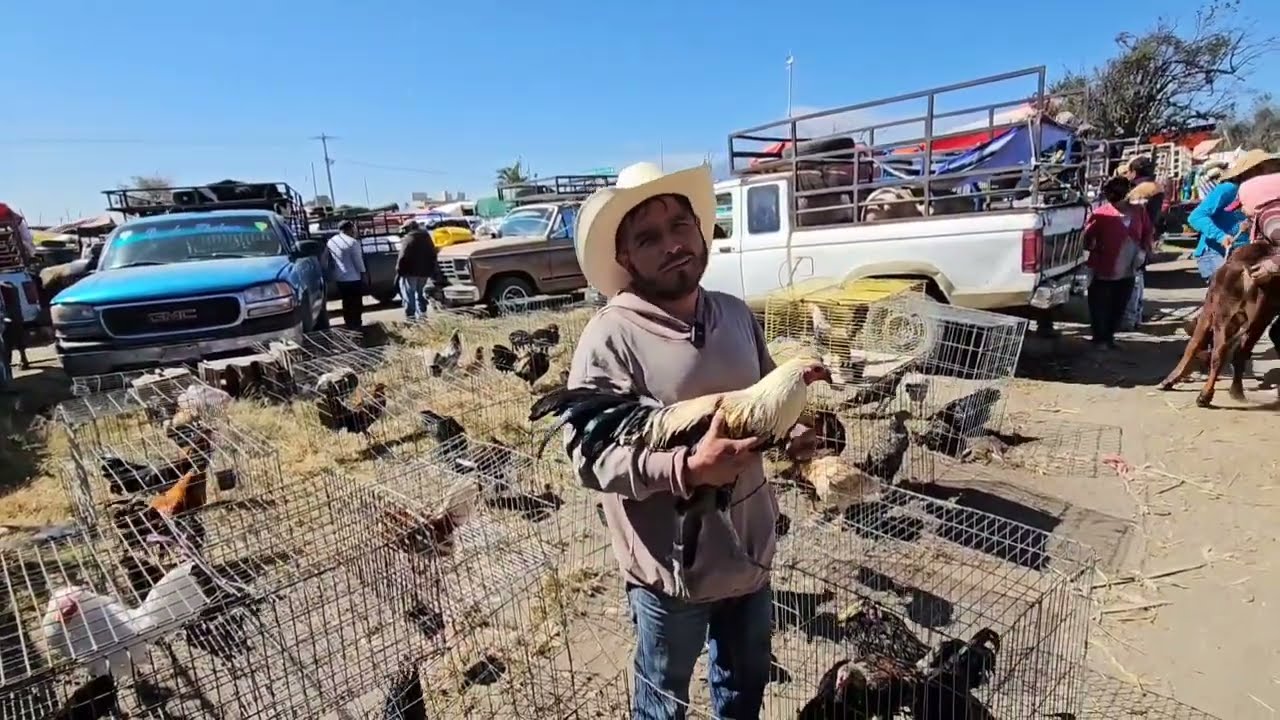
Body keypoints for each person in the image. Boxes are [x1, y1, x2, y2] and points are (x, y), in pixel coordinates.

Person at [567, 161, 816, 719]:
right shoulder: (612, 336)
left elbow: (768, 393)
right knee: (663, 698)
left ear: (702, 233)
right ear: (626, 258)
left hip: (750, 554)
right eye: (648, 237)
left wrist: (797, 432)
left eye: (681, 226)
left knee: (744, 688)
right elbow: (591, 458)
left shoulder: (734, 313)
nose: (673, 244)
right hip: (670, 573)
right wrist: (687, 469)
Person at [1188, 149, 1280, 283]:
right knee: (1229, 297)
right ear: (1254, 170)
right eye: (1266, 167)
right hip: (1216, 253)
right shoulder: (1228, 189)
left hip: (1243, 252)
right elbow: (1196, 217)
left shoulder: (1262, 192)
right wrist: (1221, 236)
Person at [1083, 176, 1154, 349]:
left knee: (1119, 305)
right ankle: (1100, 339)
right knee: (1101, 307)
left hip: (1128, 268)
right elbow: (1087, 239)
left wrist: (1144, 252)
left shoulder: (1139, 212)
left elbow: (1147, 232)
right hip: (1103, 270)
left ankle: (1109, 338)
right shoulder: (1100, 214)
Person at [1121, 158, 1164, 332]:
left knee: (1132, 278)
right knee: (1139, 277)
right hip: (1145, 235)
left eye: (1128, 171)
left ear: (1134, 172)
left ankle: (1129, 319)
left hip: (1134, 238)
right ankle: (1135, 315)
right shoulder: (1156, 187)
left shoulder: (1140, 192)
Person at [396, 219, 444, 321]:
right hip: (424, 272)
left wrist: (399, 270)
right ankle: (422, 315)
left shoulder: (409, 239)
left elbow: (402, 256)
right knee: (420, 294)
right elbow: (433, 253)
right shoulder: (426, 237)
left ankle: (411, 317)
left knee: (409, 295)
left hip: (410, 272)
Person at [326, 220, 368, 329]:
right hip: (353, 277)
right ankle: (356, 323)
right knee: (356, 302)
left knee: (346, 301)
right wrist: (363, 274)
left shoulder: (331, 241)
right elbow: (358, 261)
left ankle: (348, 322)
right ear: (349, 229)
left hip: (340, 277)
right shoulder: (352, 242)